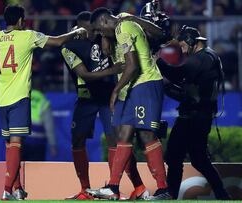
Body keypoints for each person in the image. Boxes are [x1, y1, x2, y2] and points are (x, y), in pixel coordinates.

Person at [0, 5, 86, 200]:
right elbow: (57, 41)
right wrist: (76, 31)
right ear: (21, 20)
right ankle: (6, 190)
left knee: (9, 145)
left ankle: (17, 189)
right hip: (19, 98)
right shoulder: (27, 36)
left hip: (1, 99)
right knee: (16, 143)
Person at [61, 11, 149, 200]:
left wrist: (106, 40)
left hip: (108, 95)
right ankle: (85, 190)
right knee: (78, 140)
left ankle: (129, 187)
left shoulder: (109, 36)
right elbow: (83, 74)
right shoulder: (70, 47)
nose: (90, 33)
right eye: (84, 29)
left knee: (116, 141)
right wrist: (114, 69)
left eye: (93, 29)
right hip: (86, 99)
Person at [87, 8, 171, 200]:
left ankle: (163, 189)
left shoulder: (123, 27)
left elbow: (132, 65)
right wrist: (105, 38)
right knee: (123, 136)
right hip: (131, 88)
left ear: (104, 21)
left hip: (145, 83)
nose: (100, 34)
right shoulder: (117, 29)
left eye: (99, 30)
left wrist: (115, 90)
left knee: (146, 134)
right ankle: (113, 187)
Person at [156, 25, 231, 200]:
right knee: (199, 160)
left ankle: (170, 194)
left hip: (193, 117)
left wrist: (158, 61)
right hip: (198, 115)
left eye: (182, 45)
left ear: (190, 42)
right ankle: (222, 195)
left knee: (174, 156)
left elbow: (177, 73)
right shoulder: (209, 57)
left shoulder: (203, 58)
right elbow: (187, 90)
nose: (181, 50)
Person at [22, 78, 57, 161]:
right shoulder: (44, 102)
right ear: (43, 89)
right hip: (37, 143)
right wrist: (53, 145)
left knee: (22, 169)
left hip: (23, 140)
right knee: (36, 171)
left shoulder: (24, 98)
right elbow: (49, 127)